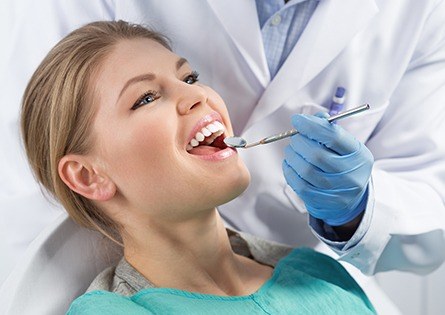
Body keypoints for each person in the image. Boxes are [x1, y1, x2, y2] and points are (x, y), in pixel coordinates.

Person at [2, 1, 445, 313]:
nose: (196, 95)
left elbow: (429, 199)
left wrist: (357, 211)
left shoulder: (320, 277)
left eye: (190, 76)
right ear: (86, 175)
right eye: (146, 98)